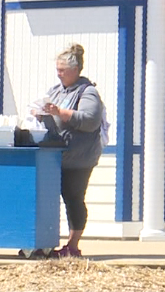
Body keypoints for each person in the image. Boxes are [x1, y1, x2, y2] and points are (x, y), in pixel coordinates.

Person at [41, 43, 104, 258]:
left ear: (75, 70)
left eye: (62, 70)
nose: (58, 74)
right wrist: (41, 113)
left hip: (79, 159)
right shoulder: (56, 91)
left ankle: (73, 245)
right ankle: (43, 242)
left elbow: (90, 120)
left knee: (73, 198)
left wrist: (60, 112)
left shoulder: (88, 92)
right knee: (48, 197)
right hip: (55, 157)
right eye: (57, 70)